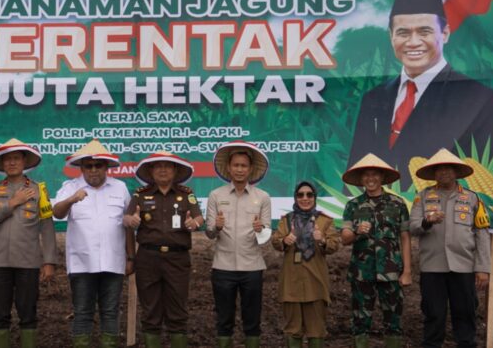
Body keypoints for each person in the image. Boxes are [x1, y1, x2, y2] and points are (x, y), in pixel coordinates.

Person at [348, 0, 493, 188]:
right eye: (403, 33)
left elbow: (485, 176)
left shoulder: (479, 98)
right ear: (391, 36)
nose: (413, 42)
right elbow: (356, 170)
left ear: (445, 33)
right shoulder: (374, 97)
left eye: (424, 32)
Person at [52, 139, 135, 348]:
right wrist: (72, 199)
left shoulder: (120, 187)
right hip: (81, 263)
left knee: (110, 312)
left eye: (98, 165)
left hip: (114, 261)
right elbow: (57, 213)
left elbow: (128, 224)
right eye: (88, 166)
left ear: (106, 167)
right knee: (82, 312)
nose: (94, 170)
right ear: (81, 168)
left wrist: (131, 257)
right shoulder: (70, 187)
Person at [409, 148, 491, 348]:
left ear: (456, 172)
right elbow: (412, 227)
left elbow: (481, 234)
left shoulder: (472, 198)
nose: (444, 172)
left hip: (463, 266)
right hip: (432, 266)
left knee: (465, 313)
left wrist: (482, 268)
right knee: (433, 314)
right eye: (439, 169)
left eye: (448, 168)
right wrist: (427, 221)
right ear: (434, 173)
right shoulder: (423, 197)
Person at [0, 138, 58, 348]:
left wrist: (49, 261)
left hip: (28, 262)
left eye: (16, 158)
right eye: (7, 160)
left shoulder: (38, 190)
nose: (12, 163)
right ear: (2, 164)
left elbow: (47, 226)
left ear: (25, 162)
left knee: (28, 315)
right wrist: (13, 202)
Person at [123, 151, 203, 348]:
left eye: (167, 166)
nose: (163, 170)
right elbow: (126, 219)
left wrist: (195, 222)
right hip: (148, 259)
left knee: (178, 312)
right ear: (151, 171)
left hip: (178, 259)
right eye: (158, 166)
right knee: (150, 312)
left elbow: (199, 217)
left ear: (175, 170)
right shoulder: (140, 195)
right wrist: (130, 220)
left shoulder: (186, 194)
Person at [204, 141, 271, 348]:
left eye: (244, 166)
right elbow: (209, 233)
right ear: (229, 168)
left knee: (252, 320)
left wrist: (261, 230)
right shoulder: (216, 195)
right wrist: (216, 226)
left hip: (252, 267)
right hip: (223, 267)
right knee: (224, 320)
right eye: (236, 165)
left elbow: (266, 235)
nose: (240, 169)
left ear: (250, 169)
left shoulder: (263, 197)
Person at [341, 153, 412, 348]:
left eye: (375, 175)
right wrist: (356, 232)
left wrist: (406, 271)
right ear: (361, 179)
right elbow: (344, 238)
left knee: (393, 321)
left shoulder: (397, 204)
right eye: (366, 175)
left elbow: (405, 237)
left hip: (391, 273)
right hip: (361, 273)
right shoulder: (353, 205)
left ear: (382, 177)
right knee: (360, 322)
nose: (370, 179)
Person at [271, 181, 341, 348]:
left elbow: (334, 245)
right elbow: (276, 241)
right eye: (300, 195)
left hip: (316, 280)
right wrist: (285, 240)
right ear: (295, 197)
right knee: (292, 329)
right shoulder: (287, 220)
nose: (305, 198)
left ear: (314, 198)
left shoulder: (324, 221)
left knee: (316, 330)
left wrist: (322, 239)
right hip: (291, 282)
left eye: (309, 195)